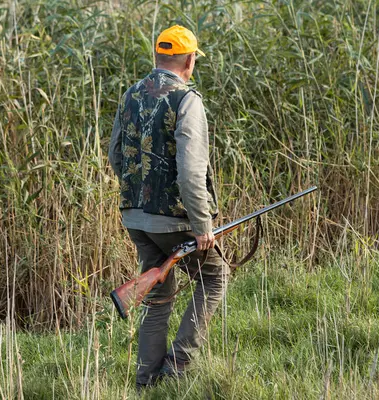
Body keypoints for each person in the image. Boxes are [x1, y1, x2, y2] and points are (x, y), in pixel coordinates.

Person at [108, 25, 228, 390]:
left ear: (157, 57)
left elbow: (116, 156)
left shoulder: (130, 95)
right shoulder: (186, 100)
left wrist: (138, 197)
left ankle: (146, 382)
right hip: (175, 220)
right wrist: (202, 223)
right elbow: (191, 172)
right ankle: (177, 366)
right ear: (190, 60)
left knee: (157, 295)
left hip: (135, 218)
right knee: (213, 278)